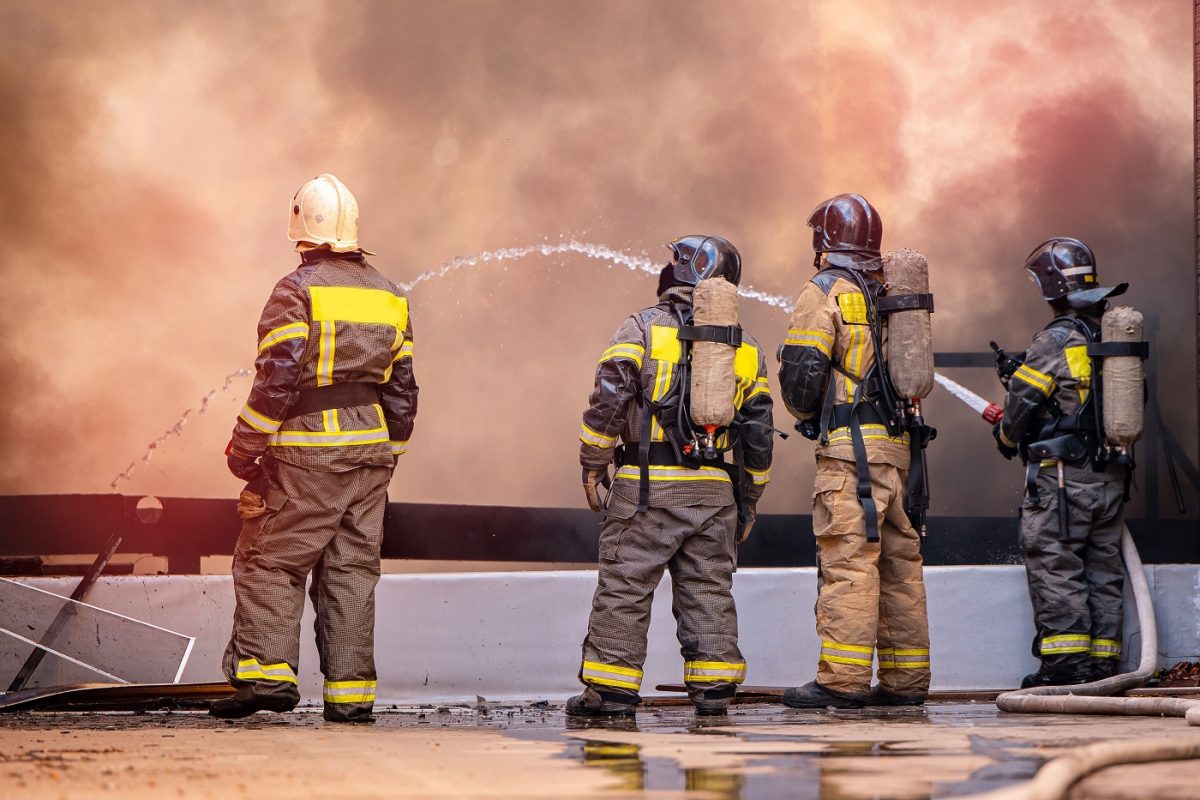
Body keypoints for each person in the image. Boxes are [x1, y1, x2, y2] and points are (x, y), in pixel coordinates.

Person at [212, 173, 418, 722]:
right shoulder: (390, 294)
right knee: (351, 572)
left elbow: (277, 377)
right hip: (371, 453)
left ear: (300, 229)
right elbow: (402, 389)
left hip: (309, 452)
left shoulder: (296, 290)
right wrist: (388, 454)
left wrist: (245, 447)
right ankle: (351, 698)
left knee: (270, 558)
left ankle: (266, 678)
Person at [569, 235, 774, 717]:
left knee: (625, 587)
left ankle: (610, 692)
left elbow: (609, 399)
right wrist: (749, 498)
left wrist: (593, 461)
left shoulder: (641, 328)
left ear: (682, 270)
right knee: (709, 590)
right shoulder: (747, 348)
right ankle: (715, 689)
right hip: (716, 495)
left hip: (647, 490)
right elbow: (759, 435)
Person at [777, 193, 931, 709]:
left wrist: (808, 412)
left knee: (849, 564)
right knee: (901, 566)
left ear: (825, 239)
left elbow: (801, 379)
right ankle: (906, 682)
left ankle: (841, 682)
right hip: (900, 455)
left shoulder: (826, 290)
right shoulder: (891, 291)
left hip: (850, 457)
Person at [993, 237, 1133, 687]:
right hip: (1109, 474)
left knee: (1055, 559)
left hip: (1063, 478)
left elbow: (1023, 402)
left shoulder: (1056, 337)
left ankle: (1066, 665)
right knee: (1102, 566)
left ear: (1052, 286)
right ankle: (1102, 665)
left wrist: (1005, 435)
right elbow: (1080, 395)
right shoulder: (1108, 331)